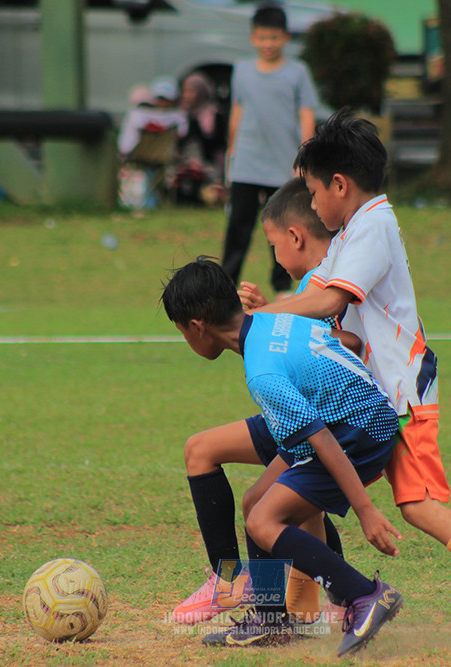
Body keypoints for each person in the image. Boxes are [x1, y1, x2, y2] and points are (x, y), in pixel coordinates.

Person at [254, 108, 451, 650]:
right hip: (369, 400)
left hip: (401, 395)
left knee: (416, 505)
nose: (313, 204)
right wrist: (261, 312)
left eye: (314, 191)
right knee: (306, 484)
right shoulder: (351, 233)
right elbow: (309, 297)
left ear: (340, 185)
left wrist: (258, 321)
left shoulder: (374, 225)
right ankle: (297, 613)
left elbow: (328, 300)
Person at [161, 257, 404, 656]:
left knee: (263, 519)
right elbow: (348, 345)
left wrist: (365, 511)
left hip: (358, 433)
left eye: (181, 331)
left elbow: (323, 440)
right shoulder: (274, 321)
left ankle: (364, 594)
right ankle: (270, 621)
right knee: (255, 500)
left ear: (197, 326)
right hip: (354, 416)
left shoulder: (262, 372)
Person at [172, 179, 342, 627]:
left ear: (196, 326)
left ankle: (318, 603)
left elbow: (343, 342)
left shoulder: (323, 287)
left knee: (271, 503)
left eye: (272, 244)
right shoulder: (292, 301)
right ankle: (231, 582)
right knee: (201, 450)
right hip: (292, 414)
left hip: (320, 417)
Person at [221, 3, 319, 297]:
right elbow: (237, 113)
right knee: (238, 225)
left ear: (285, 38)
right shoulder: (241, 71)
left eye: (274, 38)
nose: (268, 44)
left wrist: (304, 156)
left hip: (283, 164)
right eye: (262, 38)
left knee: (284, 227)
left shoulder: (297, 72)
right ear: (253, 38)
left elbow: (306, 114)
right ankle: (226, 286)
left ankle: (282, 286)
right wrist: (231, 154)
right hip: (247, 163)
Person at [117, 76, 189, 209]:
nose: (161, 102)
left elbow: (124, 145)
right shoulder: (179, 118)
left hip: (139, 157)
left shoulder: (136, 115)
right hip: (163, 158)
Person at [175, 72, 228, 206]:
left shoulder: (214, 115)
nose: (187, 95)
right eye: (185, 91)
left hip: (211, 163)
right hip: (187, 162)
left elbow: (218, 144)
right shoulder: (180, 115)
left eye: (191, 91)